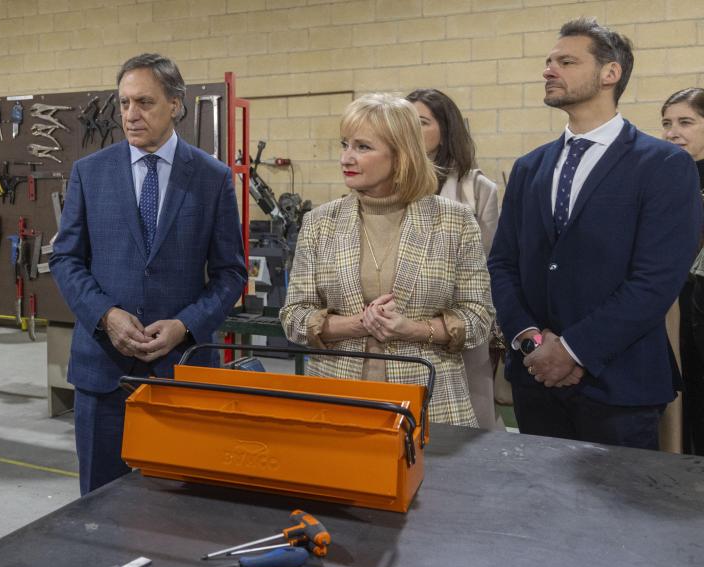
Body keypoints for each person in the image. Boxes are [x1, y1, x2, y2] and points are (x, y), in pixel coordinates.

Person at [488, 19, 702, 449]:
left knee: (617, 514)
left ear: (610, 73)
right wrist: (531, 342)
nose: (549, 70)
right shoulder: (530, 166)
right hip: (536, 378)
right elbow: (503, 262)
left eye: (566, 61)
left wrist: (573, 350)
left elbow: (656, 280)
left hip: (618, 383)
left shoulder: (661, 165)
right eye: (548, 62)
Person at [49, 54, 246, 494]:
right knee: (99, 503)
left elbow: (231, 274)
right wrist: (106, 315)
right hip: (103, 371)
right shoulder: (89, 173)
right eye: (123, 104)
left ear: (175, 104)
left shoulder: (212, 179)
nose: (130, 116)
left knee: (179, 506)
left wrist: (184, 325)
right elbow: (65, 259)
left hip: (181, 369)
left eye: (144, 102)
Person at [280, 92, 494, 427]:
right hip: (337, 406)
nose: (346, 158)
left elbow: (479, 318)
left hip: (431, 408)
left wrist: (414, 329)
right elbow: (293, 316)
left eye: (362, 147)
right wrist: (357, 324)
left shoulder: (454, 222)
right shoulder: (321, 223)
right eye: (344, 145)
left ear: (401, 154)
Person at [406, 88, 503, 430]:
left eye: (421, 122)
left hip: (457, 332)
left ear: (446, 130)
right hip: (398, 334)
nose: (411, 130)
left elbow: (490, 266)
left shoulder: (478, 189)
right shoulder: (387, 185)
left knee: (464, 431)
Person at [661, 87, 704, 454]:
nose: (673, 132)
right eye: (667, 123)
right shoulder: (665, 180)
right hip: (674, 306)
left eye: (685, 122)